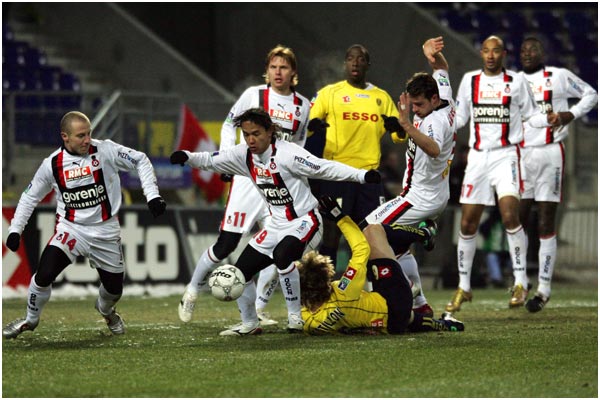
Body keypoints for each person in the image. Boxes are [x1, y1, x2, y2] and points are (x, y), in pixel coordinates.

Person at [170, 108, 381, 336]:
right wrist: (187, 157)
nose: (251, 140)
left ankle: (295, 317)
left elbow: (323, 167)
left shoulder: (288, 154)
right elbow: (212, 160)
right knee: (241, 271)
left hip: (306, 221)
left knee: (282, 256)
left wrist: (361, 175)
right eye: (246, 134)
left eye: (256, 133)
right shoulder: (243, 155)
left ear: (270, 131)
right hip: (275, 225)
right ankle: (250, 323)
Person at [177, 45, 311, 328]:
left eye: (284, 67)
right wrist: (227, 159)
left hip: (278, 183)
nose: (278, 72)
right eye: (273, 67)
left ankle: (259, 309)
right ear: (267, 70)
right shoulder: (253, 95)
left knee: (276, 246)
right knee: (226, 244)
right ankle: (192, 290)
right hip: (248, 179)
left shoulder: (303, 105)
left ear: (293, 72)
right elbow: (229, 125)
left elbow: (299, 143)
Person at [3, 111, 166, 339]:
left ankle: (106, 310)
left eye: (89, 133)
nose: (87, 140)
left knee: (114, 290)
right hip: (71, 229)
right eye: (81, 135)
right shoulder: (52, 164)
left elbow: (140, 159)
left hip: (105, 231)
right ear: (65, 137)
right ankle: (30, 320)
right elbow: (30, 197)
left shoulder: (106, 150)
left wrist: (152, 195)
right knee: (44, 273)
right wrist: (15, 230)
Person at [445, 35, 558, 313]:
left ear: (503, 54)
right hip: (477, 159)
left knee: (510, 215)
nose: (491, 55)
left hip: (506, 156)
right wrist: (437, 118)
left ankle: (520, 282)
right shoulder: (470, 81)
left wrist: (549, 119)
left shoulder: (516, 81)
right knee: (467, 223)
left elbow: (531, 114)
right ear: (481, 54)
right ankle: (464, 286)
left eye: (496, 51)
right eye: (486, 51)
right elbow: (460, 118)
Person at [361, 36, 456, 317]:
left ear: (434, 100)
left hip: (419, 198)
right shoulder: (443, 95)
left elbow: (434, 148)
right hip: (430, 193)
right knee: (397, 247)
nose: (415, 109)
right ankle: (420, 304)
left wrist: (406, 125)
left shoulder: (435, 121)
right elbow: (442, 68)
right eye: (412, 105)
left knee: (369, 230)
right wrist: (431, 56)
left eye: (419, 105)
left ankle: (420, 237)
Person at [298, 195, 464, 335]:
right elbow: (361, 249)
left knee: (403, 317)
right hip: (395, 300)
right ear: (326, 279)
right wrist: (340, 217)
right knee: (373, 230)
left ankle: (439, 323)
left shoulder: (308, 320)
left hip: (390, 323)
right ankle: (424, 235)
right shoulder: (343, 291)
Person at [518, 37, 598, 312]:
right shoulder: (515, 81)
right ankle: (520, 280)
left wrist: (569, 114)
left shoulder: (559, 76)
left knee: (545, 220)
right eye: (524, 50)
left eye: (534, 49)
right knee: (516, 219)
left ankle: (544, 288)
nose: (528, 53)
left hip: (550, 153)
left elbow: (591, 94)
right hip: (521, 154)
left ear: (544, 53)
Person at [307, 43, 404, 268]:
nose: (355, 63)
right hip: (337, 173)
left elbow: (400, 136)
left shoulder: (381, 97)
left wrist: (397, 128)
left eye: (360, 59)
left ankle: (372, 284)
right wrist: (312, 126)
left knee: (373, 233)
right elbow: (306, 124)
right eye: (351, 58)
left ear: (368, 64)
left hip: (369, 176)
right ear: (345, 63)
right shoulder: (329, 93)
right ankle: (325, 283)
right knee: (332, 232)